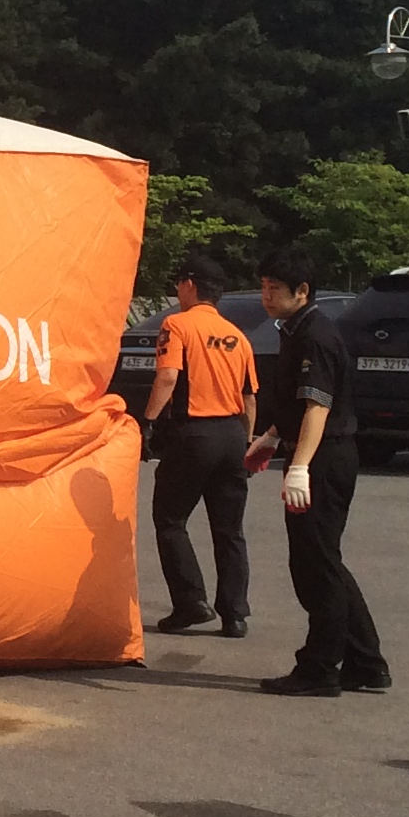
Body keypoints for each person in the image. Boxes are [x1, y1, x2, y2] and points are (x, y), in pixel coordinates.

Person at [248, 244, 386, 696]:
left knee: (315, 566)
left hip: (324, 457)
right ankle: (366, 662)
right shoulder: (294, 330)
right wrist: (272, 437)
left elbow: (317, 407)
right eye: (263, 287)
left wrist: (300, 468)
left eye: (275, 288)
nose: (266, 296)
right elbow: (295, 404)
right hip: (313, 451)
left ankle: (320, 667)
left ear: (302, 291)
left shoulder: (316, 336)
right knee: (321, 559)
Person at [143, 251, 258, 638]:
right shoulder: (237, 336)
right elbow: (249, 397)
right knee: (229, 529)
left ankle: (191, 601)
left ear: (190, 285)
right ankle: (235, 613)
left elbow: (168, 377)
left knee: (170, 519)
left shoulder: (176, 325)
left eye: (179, 283)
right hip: (233, 435)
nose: (178, 290)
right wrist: (248, 441)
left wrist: (148, 422)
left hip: (194, 433)